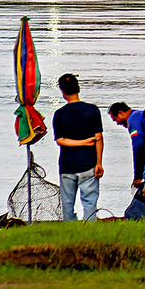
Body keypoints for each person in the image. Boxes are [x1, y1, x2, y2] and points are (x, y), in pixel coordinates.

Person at [52, 73, 103, 221]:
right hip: (89, 164)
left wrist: (81, 142)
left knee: (67, 203)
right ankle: (89, 232)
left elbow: (60, 141)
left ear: (62, 92)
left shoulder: (59, 114)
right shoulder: (92, 110)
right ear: (78, 88)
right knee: (90, 202)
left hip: (67, 166)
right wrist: (98, 162)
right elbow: (99, 138)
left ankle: (69, 232)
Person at [108, 102, 145, 189]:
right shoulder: (140, 114)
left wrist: (138, 176)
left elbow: (138, 146)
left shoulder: (132, 119)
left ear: (120, 113)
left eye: (115, 119)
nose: (117, 123)